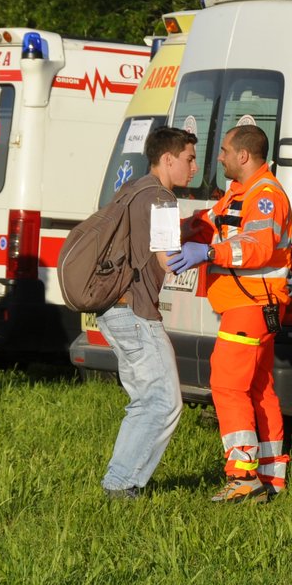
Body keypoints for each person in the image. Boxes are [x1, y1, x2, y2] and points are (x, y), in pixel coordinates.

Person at [168, 123, 292, 504]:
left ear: (243, 155)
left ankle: (242, 476)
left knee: (226, 383)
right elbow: (210, 223)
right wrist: (171, 230)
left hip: (250, 304)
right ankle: (272, 476)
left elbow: (255, 246)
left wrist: (208, 254)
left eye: (223, 150)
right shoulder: (239, 194)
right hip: (252, 304)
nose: (218, 157)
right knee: (259, 389)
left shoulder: (266, 195)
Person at [97, 126, 201, 500]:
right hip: (135, 309)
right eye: (189, 159)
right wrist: (210, 248)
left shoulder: (132, 190)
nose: (194, 167)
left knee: (145, 400)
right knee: (164, 402)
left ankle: (119, 481)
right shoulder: (162, 199)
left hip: (113, 307)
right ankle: (121, 484)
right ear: (168, 159)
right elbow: (167, 259)